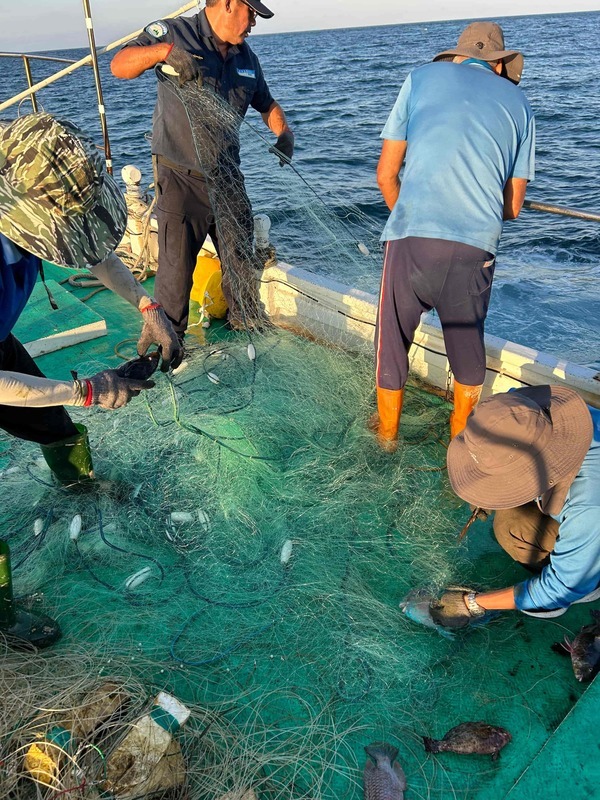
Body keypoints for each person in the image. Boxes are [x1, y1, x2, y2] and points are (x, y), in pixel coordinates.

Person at [372, 22, 535, 452]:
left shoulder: (419, 78)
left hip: (412, 242)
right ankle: (460, 449)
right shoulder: (520, 104)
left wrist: (413, 221)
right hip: (475, 248)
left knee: (391, 346)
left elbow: (386, 175)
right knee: (467, 355)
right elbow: (513, 208)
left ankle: (387, 439)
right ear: (500, 65)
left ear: (458, 55)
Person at [0, 112, 182, 486]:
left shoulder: (23, 174)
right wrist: (84, 391)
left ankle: (79, 488)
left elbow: (93, 247)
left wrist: (147, 305)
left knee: (54, 425)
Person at [110, 0, 294, 336]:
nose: (253, 22)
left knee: (240, 259)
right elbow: (120, 65)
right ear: (227, 4)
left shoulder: (247, 58)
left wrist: (284, 131)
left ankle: (247, 326)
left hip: (227, 177)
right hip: (180, 177)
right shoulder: (173, 32)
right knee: (176, 272)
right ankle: (170, 344)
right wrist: (163, 52)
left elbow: (266, 104)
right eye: (251, 13)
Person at [428, 385, 600, 629]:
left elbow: (562, 585)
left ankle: (591, 584)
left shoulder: (590, 504)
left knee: (515, 533)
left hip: (593, 525)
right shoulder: (523, 411)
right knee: (509, 518)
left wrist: (473, 603)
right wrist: (487, 491)